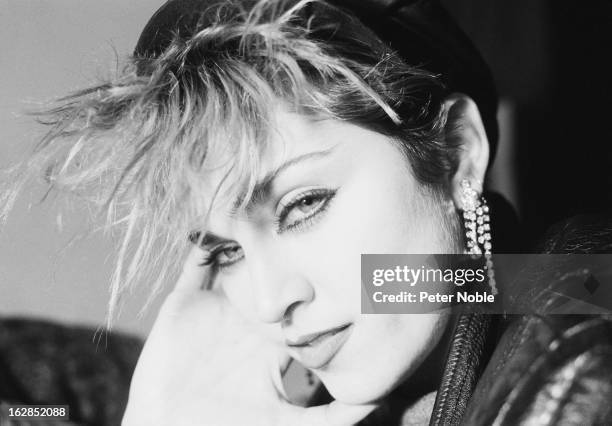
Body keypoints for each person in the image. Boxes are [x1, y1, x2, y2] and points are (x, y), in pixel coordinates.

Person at [2, 0, 611, 425]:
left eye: (303, 206)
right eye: (225, 249)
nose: (271, 303)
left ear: (456, 153)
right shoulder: (395, 313)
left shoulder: (573, 362)